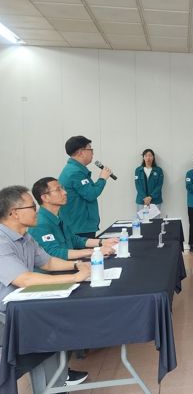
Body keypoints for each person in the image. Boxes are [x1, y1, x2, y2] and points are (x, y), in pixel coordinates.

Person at [0, 186, 91, 391]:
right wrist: (74, 278)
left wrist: (78, 265)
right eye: (32, 207)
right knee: (51, 326)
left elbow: (48, 262)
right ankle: (53, 384)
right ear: (14, 213)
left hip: (23, 307)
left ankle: (56, 382)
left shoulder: (26, 237)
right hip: (5, 316)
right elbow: (23, 279)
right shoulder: (1, 241)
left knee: (58, 319)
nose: (37, 211)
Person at [29, 177, 116, 260]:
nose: (64, 192)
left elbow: (74, 239)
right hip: (59, 268)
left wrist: (103, 242)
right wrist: (95, 252)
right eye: (58, 190)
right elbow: (54, 253)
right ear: (45, 198)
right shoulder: (40, 223)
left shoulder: (57, 216)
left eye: (62, 188)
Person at [58, 136, 112, 238]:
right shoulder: (75, 172)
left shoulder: (75, 170)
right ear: (81, 152)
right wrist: (102, 179)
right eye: (90, 149)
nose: (92, 153)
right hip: (79, 227)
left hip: (80, 225)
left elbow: (89, 191)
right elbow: (91, 194)